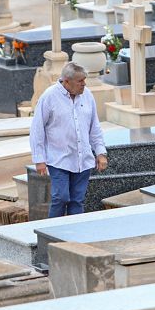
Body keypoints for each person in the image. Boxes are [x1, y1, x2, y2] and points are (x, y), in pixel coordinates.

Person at [29, 62, 108, 218]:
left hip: (83, 159)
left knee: (77, 201)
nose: (84, 83)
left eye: (84, 80)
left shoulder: (88, 95)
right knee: (60, 197)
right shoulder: (49, 96)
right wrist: (39, 159)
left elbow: (95, 128)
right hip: (58, 159)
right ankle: (51, 234)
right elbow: (37, 129)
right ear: (66, 81)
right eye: (80, 81)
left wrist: (100, 153)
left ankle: (74, 235)